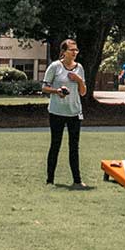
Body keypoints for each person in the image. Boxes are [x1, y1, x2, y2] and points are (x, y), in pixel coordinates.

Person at [42, 39, 88, 186]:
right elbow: (44, 88)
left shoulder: (79, 67)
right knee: (55, 145)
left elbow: (83, 92)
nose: (75, 53)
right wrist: (57, 91)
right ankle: (50, 180)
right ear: (64, 52)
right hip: (57, 112)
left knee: (74, 147)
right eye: (71, 50)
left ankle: (77, 181)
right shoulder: (55, 66)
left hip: (74, 112)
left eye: (76, 50)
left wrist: (79, 80)